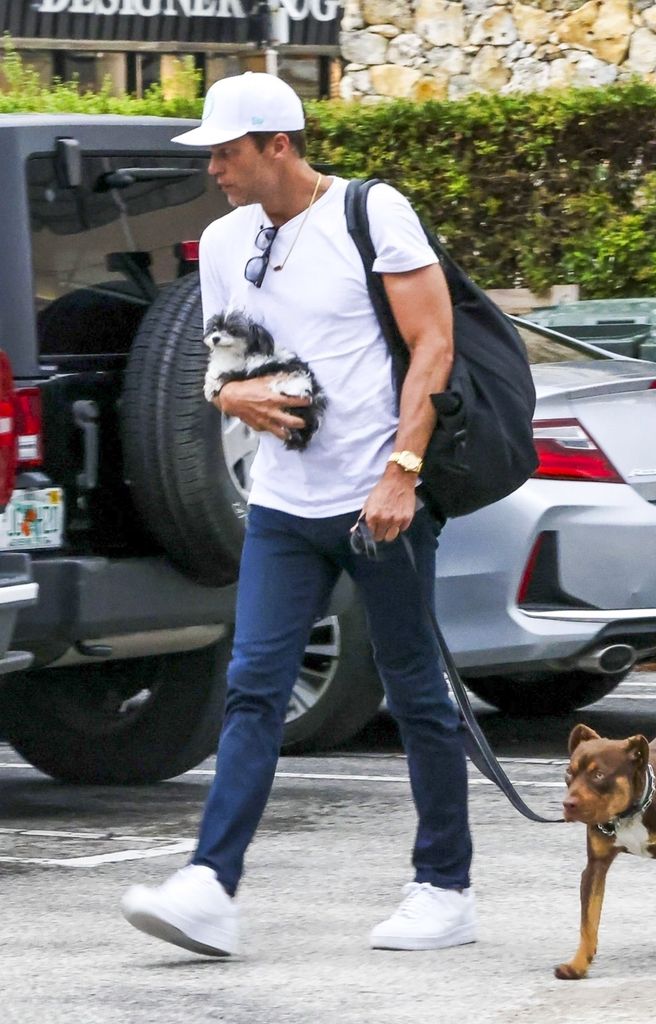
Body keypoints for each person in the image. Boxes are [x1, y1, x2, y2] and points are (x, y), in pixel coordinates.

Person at [121, 71, 474, 957]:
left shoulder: (370, 213)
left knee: (414, 692)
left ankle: (444, 888)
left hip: (378, 501)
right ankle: (209, 886)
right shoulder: (223, 239)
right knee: (251, 689)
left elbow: (433, 342)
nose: (213, 168)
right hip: (281, 505)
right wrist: (230, 395)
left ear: (278, 144)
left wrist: (402, 473)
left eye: (226, 152)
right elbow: (222, 362)